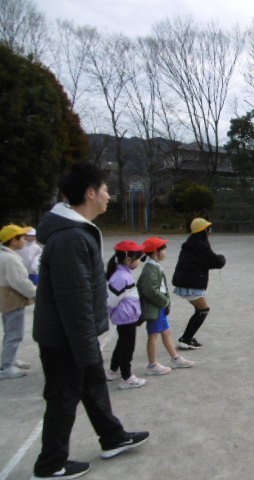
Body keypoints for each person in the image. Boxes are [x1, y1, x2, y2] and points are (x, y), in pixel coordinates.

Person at [32, 163, 149, 480]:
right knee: (63, 397)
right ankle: (50, 465)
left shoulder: (76, 232)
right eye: (106, 189)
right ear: (90, 193)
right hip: (65, 339)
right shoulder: (70, 238)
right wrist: (86, 348)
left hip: (76, 335)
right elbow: (74, 300)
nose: (109, 196)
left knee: (93, 387)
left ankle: (112, 437)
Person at [137, 236, 194, 375]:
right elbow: (149, 290)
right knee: (153, 335)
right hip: (155, 307)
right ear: (156, 252)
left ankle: (176, 358)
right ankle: (152, 365)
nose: (166, 252)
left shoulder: (154, 265)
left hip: (159, 307)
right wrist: (164, 301)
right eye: (164, 250)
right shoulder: (150, 268)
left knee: (166, 332)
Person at [172, 218, 226, 350]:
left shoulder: (191, 243)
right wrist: (222, 259)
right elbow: (214, 261)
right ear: (203, 230)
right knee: (203, 310)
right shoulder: (200, 245)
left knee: (199, 310)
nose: (210, 230)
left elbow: (205, 261)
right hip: (191, 284)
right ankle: (186, 339)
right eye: (208, 228)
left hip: (185, 282)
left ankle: (187, 338)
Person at [105, 240, 146, 390]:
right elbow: (112, 301)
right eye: (138, 258)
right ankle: (127, 378)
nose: (140, 261)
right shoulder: (121, 277)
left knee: (122, 344)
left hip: (127, 317)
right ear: (128, 259)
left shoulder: (123, 274)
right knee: (127, 348)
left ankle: (113, 370)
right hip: (125, 318)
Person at [0, 224, 37, 379]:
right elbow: (20, 282)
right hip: (12, 298)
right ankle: (7, 366)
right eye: (22, 237)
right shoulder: (10, 259)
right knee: (14, 334)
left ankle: (11, 359)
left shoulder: (5, 255)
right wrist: (36, 293)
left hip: (7, 298)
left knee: (11, 332)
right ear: (13, 241)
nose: (25, 240)